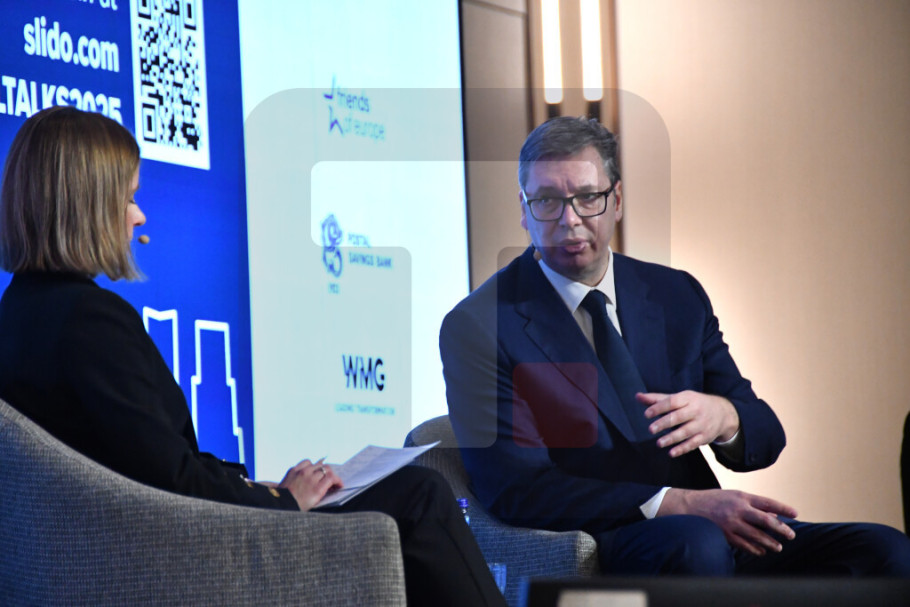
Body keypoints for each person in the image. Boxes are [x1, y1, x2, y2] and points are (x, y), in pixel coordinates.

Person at [0, 106, 506, 606]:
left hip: (121, 549)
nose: (140, 215)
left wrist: (254, 487)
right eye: (129, 198)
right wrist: (281, 499)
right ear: (85, 206)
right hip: (166, 558)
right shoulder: (90, 320)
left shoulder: (19, 312)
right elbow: (171, 480)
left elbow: (143, 467)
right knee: (418, 495)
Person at [439, 115, 910, 577]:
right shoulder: (479, 326)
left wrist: (724, 417)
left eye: (588, 198)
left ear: (616, 200)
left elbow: (766, 436)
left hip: (712, 522)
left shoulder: (675, 293)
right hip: (608, 534)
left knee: (884, 551)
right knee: (696, 544)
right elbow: (517, 489)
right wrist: (673, 503)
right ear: (523, 210)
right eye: (546, 201)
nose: (570, 220)